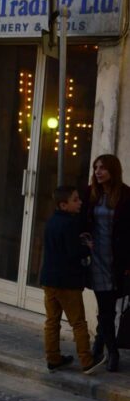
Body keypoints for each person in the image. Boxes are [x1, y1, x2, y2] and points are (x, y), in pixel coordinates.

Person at [40, 185, 104, 375]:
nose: (80, 202)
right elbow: (73, 253)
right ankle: (87, 360)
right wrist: (88, 247)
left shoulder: (51, 221)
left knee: (52, 322)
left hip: (49, 279)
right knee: (78, 322)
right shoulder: (70, 224)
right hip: (67, 281)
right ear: (63, 205)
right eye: (75, 200)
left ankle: (53, 358)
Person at [81, 154, 130, 373]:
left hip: (116, 260)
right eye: (96, 167)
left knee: (107, 308)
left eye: (102, 168)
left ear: (113, 170)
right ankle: (112, 353)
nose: (98, 171)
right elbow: (81, 221)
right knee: (106, 307)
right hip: (96, 258)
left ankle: (99, 348)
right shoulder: (91, 193)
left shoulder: (126, 195)